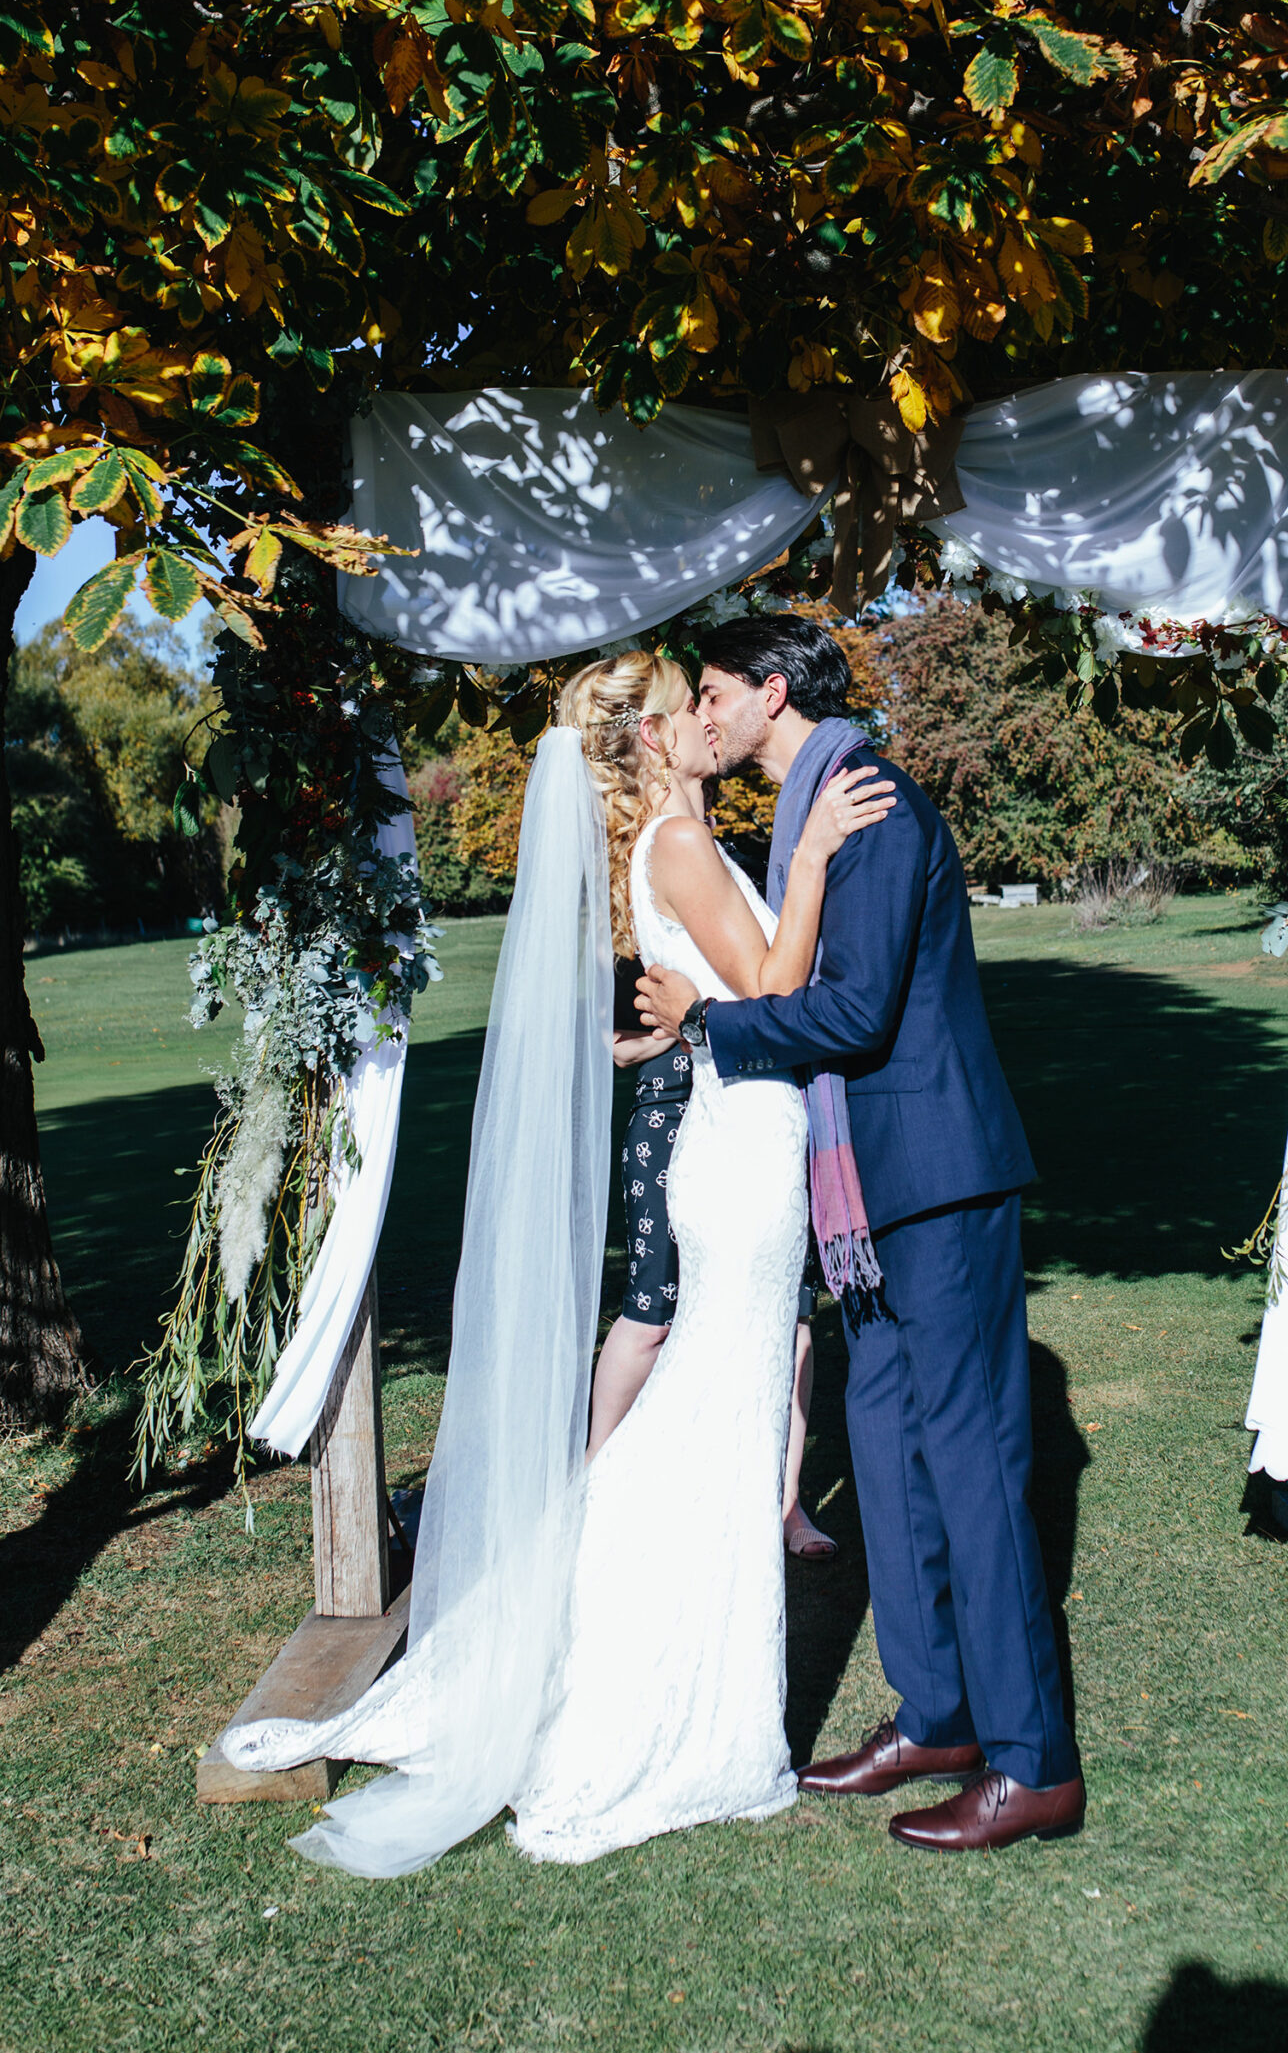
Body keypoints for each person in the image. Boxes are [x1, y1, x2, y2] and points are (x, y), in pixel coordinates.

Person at [221, 649, 888, 1875]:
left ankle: (633, 1663)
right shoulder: (679, 848)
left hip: (740, 1142)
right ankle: (643, 1699)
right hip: (737, 1159)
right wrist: (806, 862)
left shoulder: (672, 844)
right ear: (643, 737)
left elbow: (719, 995)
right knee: (711, 1418)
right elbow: (775, 983)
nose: (704, 714)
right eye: (684, 703)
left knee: (715, 1417)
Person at [637, 615, 1085, 1852]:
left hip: (935, 1179)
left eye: (716, 691)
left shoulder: (868, 800)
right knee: (883, 1452)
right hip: (863, 1198)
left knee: (975, 1464)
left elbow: (854, 1007)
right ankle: (935, 1712)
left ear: (771, 692)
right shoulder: (806, 818)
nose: (703, 713)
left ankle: (1033, 1761)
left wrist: (707, 1025)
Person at [591, 1022, 839, 1560]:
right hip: (669, 1113)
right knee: (653, 1313)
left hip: (760, 1114)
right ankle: (593, 1479)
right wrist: (695, 1021)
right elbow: (619, 1048)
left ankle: (786, 1503)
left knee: (790, 1315)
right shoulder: (631, 939)